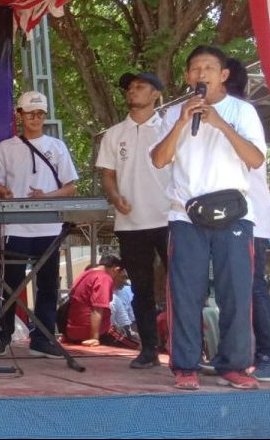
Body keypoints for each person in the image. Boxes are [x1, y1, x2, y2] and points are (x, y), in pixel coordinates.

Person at [151, 45, 265, 390]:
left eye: (209, 68)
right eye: (195, 68)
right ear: (188, 76)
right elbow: (159, 160)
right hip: (186, 215)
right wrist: (182, 122)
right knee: (185, 293)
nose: (202, 74)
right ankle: (185, 365)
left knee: (236, 293)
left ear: (223, 75)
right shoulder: (175, 113)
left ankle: (234, 365)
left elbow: (256, 159)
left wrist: (221, 124)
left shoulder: (242, 111)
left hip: (234, 215)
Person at [0, 91, 79, 359]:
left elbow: (71, 186)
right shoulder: (6, 147)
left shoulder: (57, 146)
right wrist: (4, 192)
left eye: (40, 114)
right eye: (30, 114)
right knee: (11, 284)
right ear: (20, 115)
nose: (36, 119)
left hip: (48, 226)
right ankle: (3, 335)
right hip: (16, 226)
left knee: (48, 284)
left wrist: (46, 197)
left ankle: (43, 338)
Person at [96, 71, 170, 368]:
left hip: (170, 218)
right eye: (129, 87)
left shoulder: (169, 128)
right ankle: (149, 349)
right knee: (140, 288)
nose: (132, 90)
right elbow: (108, 175)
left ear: (156, 94)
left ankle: (187, 347)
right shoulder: (114, 134)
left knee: (182, 286)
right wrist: (115, 197)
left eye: (140, 86)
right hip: (130, 223)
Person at [224, 57, 270, 382]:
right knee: (233, 289)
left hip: (250, 217)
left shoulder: (240, 113)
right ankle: (234, 356)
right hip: (227, 218)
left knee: (253, 286)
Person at [63, 255, 130, 347]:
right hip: (91, 332)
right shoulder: (104, 278)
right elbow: (98, 308)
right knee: (137, 345)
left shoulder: (85, 274)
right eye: (121, 275)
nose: (122, 280)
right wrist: (94, 338)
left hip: (73, 332)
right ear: (116, 269)